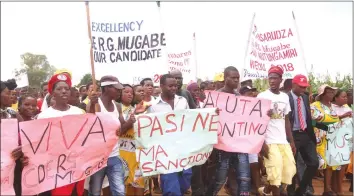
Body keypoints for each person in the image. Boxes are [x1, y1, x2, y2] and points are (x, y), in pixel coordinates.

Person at [87, 75, 145, 196]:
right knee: (95, 191)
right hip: (97, 157)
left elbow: (121, 130)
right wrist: (92, 104)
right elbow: (88, 124)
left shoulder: (117, 106)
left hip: (114, 155)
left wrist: (130, 122)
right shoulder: (95, 104)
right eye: (116, 88)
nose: (119, 91)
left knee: (119, 191)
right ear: (107, 88)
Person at [36, 73, 85, 196]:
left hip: (75, 167)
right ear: (52, 93)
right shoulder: (43, 116)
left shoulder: (79, 112)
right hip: (52, 170)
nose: (64, 91)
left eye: (67, 89)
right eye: (59, 89)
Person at [206, 66, 251, 196]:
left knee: (244, 177)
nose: (236, 80)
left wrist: (264, 114)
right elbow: (206, 119)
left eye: (238, 78)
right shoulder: (215, 97)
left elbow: (249, 117)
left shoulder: (240, 97)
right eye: (233, 78)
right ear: (226, 78)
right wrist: (212, 112)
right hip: (222, 145)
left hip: (240, 144)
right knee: (220, 178)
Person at [146, 74, 192, 196]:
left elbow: (190, 119)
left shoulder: (182, 101)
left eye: (175, 86)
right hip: (165, 151)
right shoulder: (153, 106)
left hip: (183, 149)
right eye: (170, 86)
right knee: (171, 184)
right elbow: (148, 128)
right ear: (161, 86)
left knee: (186, 177)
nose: (173, 88)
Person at [257, 66, 296, 196]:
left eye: (275, 78)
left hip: (282, 140)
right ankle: (274, 192)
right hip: (269, 140)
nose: (272, 81)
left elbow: (286, 120)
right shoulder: (262, 96)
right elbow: (256, 120)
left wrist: (291, 141)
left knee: (289, 170)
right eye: (270, 78)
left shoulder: (285, 97)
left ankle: (266, 190)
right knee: (275, 172)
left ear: (280, 79)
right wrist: (261, 143)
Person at [311, 84, 352, 196]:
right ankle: (322, 189)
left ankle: (328, 189)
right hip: (321, 138)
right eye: (329, 92)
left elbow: (334, 121)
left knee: (331, 164)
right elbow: (318, 119)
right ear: (322, 94)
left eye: (332, 92)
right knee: (323, 163)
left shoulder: (331, 107)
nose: (332, 94)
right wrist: (339, 117)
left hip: (333, 138)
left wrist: (337, 120)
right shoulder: (315, 105)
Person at [287, 75, 319, 196]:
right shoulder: (287, 98)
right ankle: (290, 192)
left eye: (305, 87)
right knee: (292, 167)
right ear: (293, 85)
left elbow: (308, 117)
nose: (303, 89)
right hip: (292, 135)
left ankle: (301, 189)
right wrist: (289, 139)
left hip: (305, 134)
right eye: (301, 87)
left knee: (314, 163)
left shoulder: (305, 98)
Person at [1, 80, 29, 196]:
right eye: (7, 93)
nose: (11, 96)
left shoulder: (12, 114)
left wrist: (23, 149)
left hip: (13, 167)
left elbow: (28, 135)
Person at [118, 84, 145, 196]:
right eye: (126, 92)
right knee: (121, 184)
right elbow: (118, 130)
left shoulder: (139, 109)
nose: (130, 94)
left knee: (139, 181)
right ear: (119, 94)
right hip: (121, 153)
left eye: (131, 93)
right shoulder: (116, 109)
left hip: (136, 153)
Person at [331, 89, 353, 195]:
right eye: (343, 97)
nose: (345, 98)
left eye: (346, 97)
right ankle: (336, 189)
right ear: (336, 97)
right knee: (336, 165)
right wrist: (342, 117)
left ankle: (337, 188)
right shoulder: (331, 107)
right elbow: (329, 120)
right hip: (335, 139)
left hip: (346, 139)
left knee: (342, 165)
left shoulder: (347, 107)